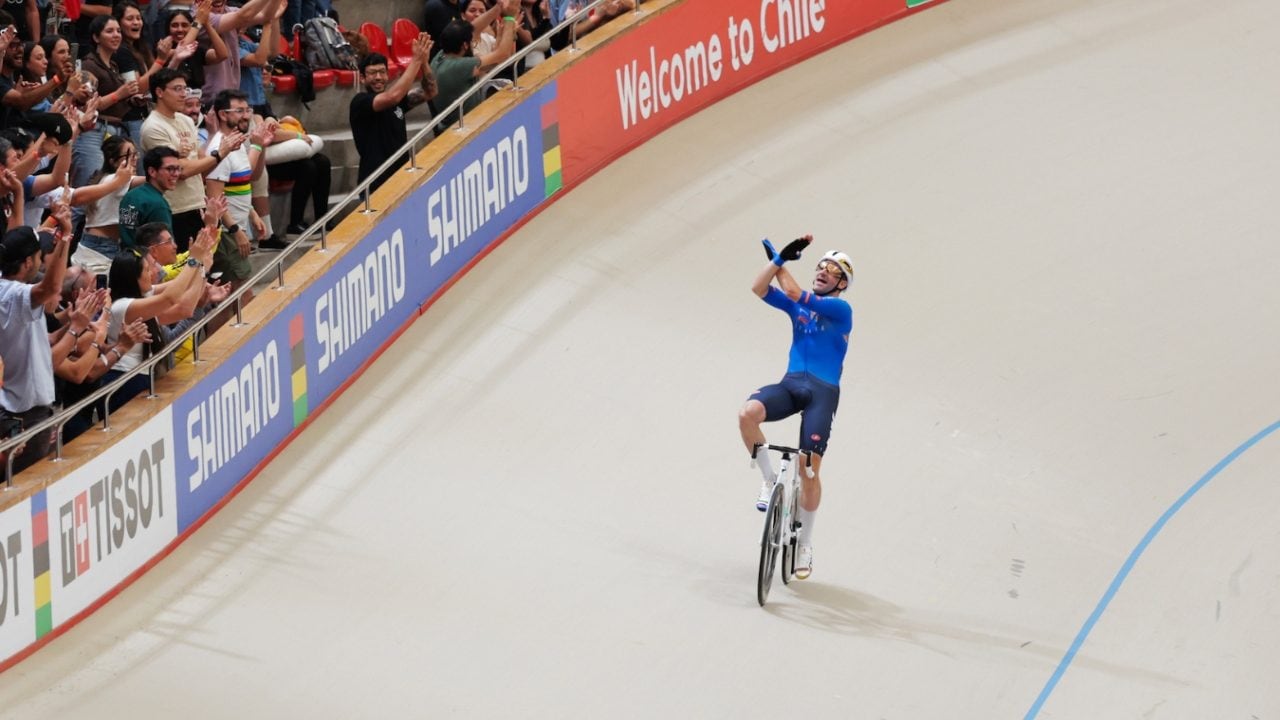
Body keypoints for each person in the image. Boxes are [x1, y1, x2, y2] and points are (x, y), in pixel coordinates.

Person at [737, 235, 854, 580]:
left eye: (832, 270)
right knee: (748, 413)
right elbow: (758, 287)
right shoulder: (799, 308)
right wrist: (775, 263)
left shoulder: (841, 310)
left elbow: (792, 292)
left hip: (822, 393)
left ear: (841, 284)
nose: (823, 272)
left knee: (809, 469)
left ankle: (805, 543)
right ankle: (770, 480)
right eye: (820, 266)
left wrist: (783, 260)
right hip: (791, 385)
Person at [0, 216, 72, 473]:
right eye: (40, 256)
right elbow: (52, 287)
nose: (42, 261)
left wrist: (74, 326)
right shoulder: (14, 295)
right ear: (27, 262)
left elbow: (42, 341)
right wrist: (65, 238)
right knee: (30, 489)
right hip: (23, 414)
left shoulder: (10, 291)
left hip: (26, 411)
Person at [348, 35, 436, 192]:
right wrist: (415, 60)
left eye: (382, 72)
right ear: (362, 78)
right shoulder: (360, 102)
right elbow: (392, 97)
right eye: (372, 73)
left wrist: (424, 62)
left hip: (402, 179)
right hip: (375, 183)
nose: (378, 77)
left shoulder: (397, 102)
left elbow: (431, 91)